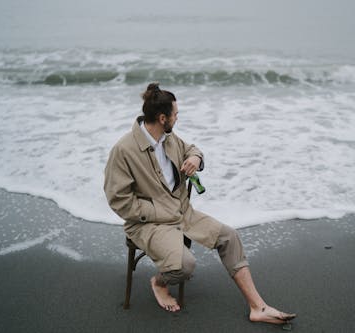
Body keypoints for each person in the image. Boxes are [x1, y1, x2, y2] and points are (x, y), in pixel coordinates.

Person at [104, 83, 296, 325]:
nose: (177, 118)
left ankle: (258, 307)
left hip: (183, 213)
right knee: (185, 265)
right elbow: (117, 199)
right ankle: (159, 282)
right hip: (148, 224)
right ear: (162, 118)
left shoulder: (169, 138)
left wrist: (195, 157)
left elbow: (193, 149)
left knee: (229, 237)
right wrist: (158, 211)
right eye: (175, 114)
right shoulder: (123, 150)